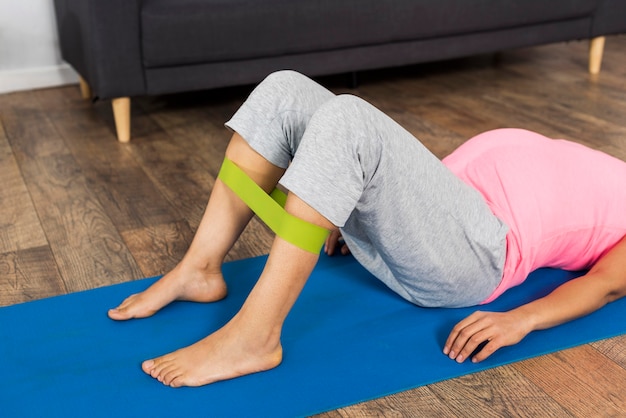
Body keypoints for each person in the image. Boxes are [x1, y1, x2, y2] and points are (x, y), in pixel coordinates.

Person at [107, 70, 626, 387]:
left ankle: (255, 337)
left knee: (352, 118)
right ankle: (201, 268)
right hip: (438, 223)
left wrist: (523, 320)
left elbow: (604, 287)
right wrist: (358, 197)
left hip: (476, 257)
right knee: (284, 91)